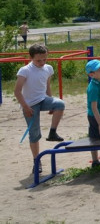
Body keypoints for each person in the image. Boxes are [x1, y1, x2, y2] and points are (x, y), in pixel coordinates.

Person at [13, 44, 65, 174]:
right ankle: (37, 161)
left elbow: (47, 86)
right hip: (30, 104)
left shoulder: (48, 68)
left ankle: (52, 132)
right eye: (38, 60)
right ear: (31, 58)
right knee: (34, 133)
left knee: (60, 104)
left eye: (44, 59)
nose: (42, 63)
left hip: (43, 99)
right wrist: (26, 107)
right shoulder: (25, 70)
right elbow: (17, 91)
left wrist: (51, 102)